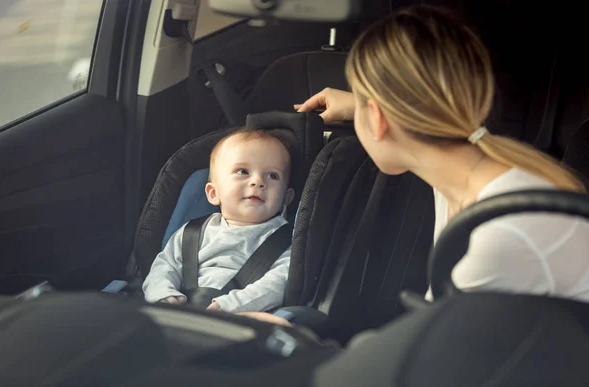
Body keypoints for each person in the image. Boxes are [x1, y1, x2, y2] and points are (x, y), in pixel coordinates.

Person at [241, 4, 589, 326]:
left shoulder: (495, 234)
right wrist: (356, 105)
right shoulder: (468, 167)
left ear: (378, 119)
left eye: (364, 104)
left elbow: (443, 363)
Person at [142, 128, 295, 313]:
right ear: (214, 193)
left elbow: (277, 284)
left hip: (243, 318)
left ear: (286, 199)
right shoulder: (192, 232)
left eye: (272, 175)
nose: (258, 181)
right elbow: (164, 267)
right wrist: (163, 294)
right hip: (179, 312)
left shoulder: (287, 241)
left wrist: (228, 306)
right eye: (243, 171)